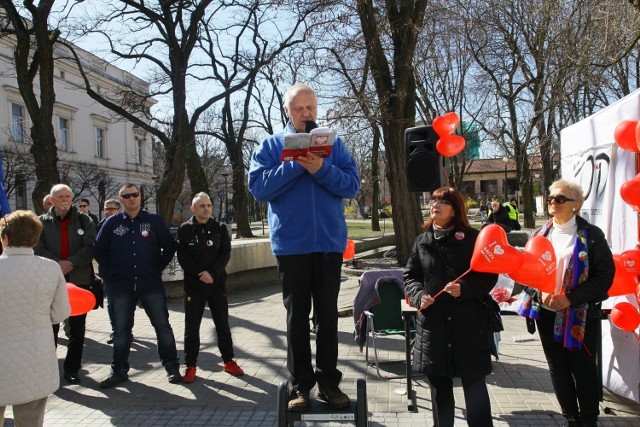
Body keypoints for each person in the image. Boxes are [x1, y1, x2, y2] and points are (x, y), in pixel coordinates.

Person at [248, 83, 360, 412]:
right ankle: (300, 386)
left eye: (310, 107)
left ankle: (328, 384)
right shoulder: (271, 146)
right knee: (297, 318)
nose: (306, 114)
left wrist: (321, 169)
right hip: (292, 246)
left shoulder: (334, 145)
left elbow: (352, 185)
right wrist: (296, 164)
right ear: (287, 111)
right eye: (299, 108)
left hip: (328, 243)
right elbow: (258, 188)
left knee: (327, 316)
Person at [517, 180, 614, 427]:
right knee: (558, 368)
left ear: (575, 205)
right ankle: (571, 418)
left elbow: (605, 276)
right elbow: (524, 272)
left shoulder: (591, 235)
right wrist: (538, 294)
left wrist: (570, 298)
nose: (553, 202)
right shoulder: (540, 234)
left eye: (560, 199)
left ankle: (588, 420)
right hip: (547, 313)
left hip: (579, 314)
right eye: (550, 198)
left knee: (582, 368)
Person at [404, 187, 498, 427]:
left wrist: (464, 289)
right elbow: (410, 277)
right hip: (434, 326)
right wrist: (419, 295)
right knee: (440, 390)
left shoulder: (473, 239)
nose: (435, 205)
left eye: (443, 202)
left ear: (455, 209)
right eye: (433, 201)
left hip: (468, 324)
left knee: (474, 386)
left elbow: (488, 277)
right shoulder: (422, 241)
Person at [94, 183, 181, 388]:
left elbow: (169, 246)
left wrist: (157, 266)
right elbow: (98, 250)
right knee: (121, 331)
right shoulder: (112, 223)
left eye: (135, 194)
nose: (131, 198)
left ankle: (172, 367)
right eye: (127, 196)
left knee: (162, 326)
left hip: (150, 283)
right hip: (121, 286)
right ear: (121, 199)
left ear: (140, 197)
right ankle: (119, 371)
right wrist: (109, 275)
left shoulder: (153, 221)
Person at [0, 210, 71, 427]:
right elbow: (60, 314)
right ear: (35, 238)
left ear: (5, 237)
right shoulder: (50, 268)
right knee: (30, 421)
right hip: (35, 357)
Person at [176, 192, 244, 383]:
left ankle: (229, 361)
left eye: (208, 205)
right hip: (194, 287)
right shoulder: (185, 229)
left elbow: (225, 253)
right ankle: (190, 366)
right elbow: (183, 258)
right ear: (193, 209)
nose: (206, 209)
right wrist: (201, 273)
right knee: (192, 328)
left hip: (217, 285)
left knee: (222, 324)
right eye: (201, 206)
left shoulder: (220, 228)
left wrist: (212, 273)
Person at [34, 184, 96, 385]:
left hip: (78, 281)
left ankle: (72, 369)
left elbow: (90, 247)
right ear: (52, 200)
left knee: (77, 330)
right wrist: (57, 264)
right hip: (49, 282)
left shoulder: (84, 220)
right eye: (60, 196)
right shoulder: (41, 222)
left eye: (68, 196)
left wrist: (70, 263)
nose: (65, 199)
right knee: (49, 329)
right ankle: (48, 370)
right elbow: (37, 248)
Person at [96, 198, 121, 344]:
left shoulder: (125, 223)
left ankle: (126, 330)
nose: (109, 212)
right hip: (108, 272)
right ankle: (115, 330)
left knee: (125, 302)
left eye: (112, 209)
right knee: (111, 302)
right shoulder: (101, 225)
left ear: (118, 210)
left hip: (124, 272)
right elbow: (97, 249)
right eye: (106, 209)